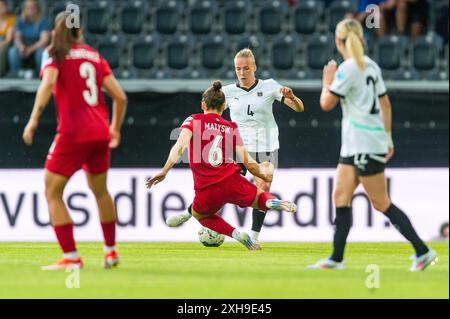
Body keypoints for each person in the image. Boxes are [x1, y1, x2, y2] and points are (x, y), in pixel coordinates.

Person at [308, 18, 437, 272]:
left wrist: (327, 81)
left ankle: (423, 251)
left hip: (363, 144)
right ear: (362, 39)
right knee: (341, 196)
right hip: (359, 144)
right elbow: (386, 104)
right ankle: (336, 259)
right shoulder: (371, 67)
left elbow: (326, 104)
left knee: (380, 202)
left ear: (338, 41)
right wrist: (388, 138)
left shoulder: (347, 69)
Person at [165, 49, 304, 250]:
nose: (242, 72)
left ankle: (254, 236)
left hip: (266, 147)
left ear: (254, 67)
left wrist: (292, 97)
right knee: (221, 187)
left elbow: (299, 108)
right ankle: (189, 213)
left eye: (246, 68)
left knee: (263, 188)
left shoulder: (270, 86)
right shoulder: (227, 92)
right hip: (238, 148)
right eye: (238, 69)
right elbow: (213, 111)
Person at [22, 11, 127, 270]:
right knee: (101, 191)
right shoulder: (93, 55)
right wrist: (114, 128)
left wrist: (34, 118)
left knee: (52, 191)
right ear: (80, 31)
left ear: (57, 30)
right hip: (100, 132)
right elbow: (121, 97)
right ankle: (111, 253)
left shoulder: (55, 53)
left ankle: (71, 257)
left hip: (73, 133)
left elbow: (47, 85)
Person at [8, 0, 50, 75]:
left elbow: (44, 40)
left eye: (32, 7)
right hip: (24, 45)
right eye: (27, 7)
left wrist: (30, 49)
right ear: (24, 9)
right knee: (13, 51)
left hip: (37, 46)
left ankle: (40, 74)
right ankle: (16, 74)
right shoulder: (20, 21)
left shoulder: (43, 21)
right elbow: (17, 38)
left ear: (37, 8)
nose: (30, 9)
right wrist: (21, 47)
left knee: (41, 52)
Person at [0, 0, 15, 77]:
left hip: (6, 43)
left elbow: (8, 39)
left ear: (6, 7)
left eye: (2, 6)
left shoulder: (12, 19)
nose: (0, 8)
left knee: (1, 50)